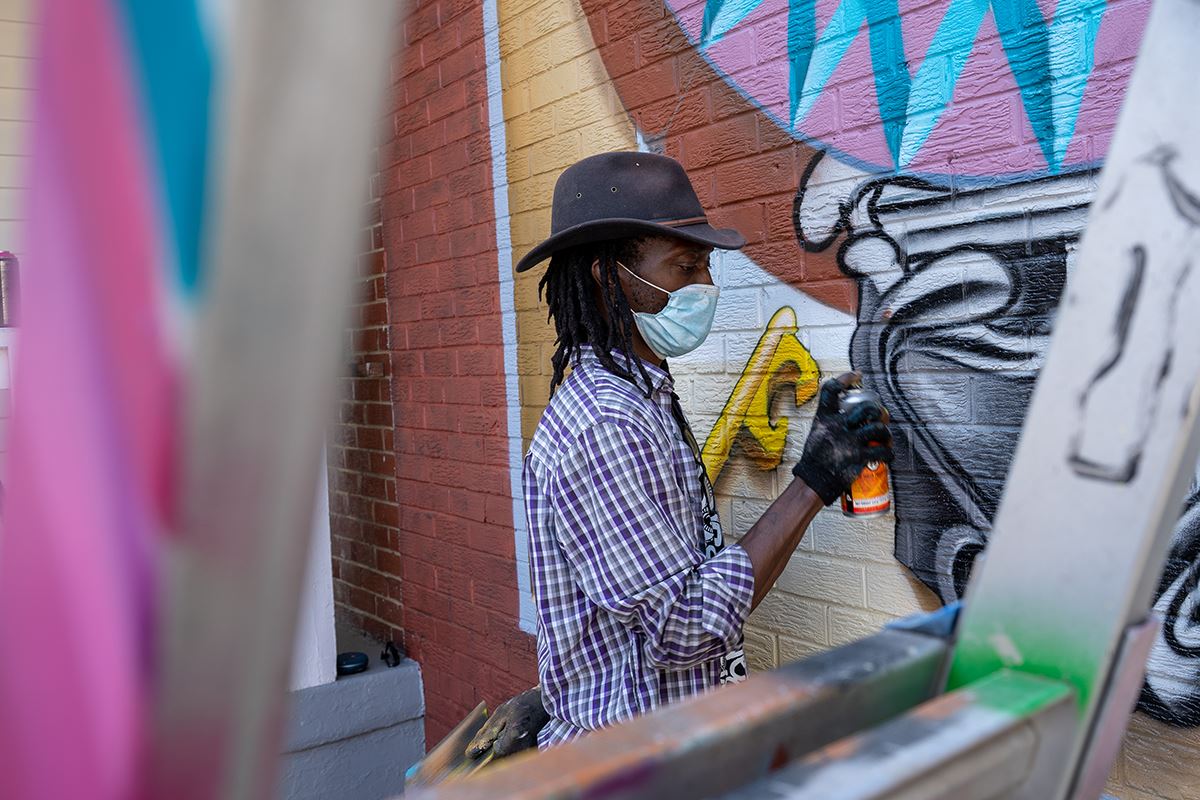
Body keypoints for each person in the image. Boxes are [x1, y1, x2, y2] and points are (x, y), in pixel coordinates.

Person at [466, 151, 893, 756]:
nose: (706, 288)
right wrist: (814, 481)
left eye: (706, 267)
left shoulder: (641, 395)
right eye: (685, 267)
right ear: (606, 274)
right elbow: (683, 626)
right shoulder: (606, 423)